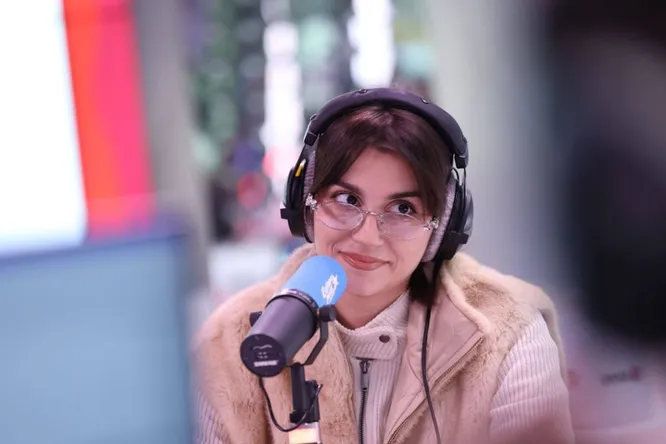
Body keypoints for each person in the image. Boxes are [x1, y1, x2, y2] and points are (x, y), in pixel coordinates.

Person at [193, 88, 574, 444]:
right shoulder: (230, 339)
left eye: (403, 208)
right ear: (306, 203)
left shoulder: (506, 331)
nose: (368, 236)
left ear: (443, 227)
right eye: (346, 199)